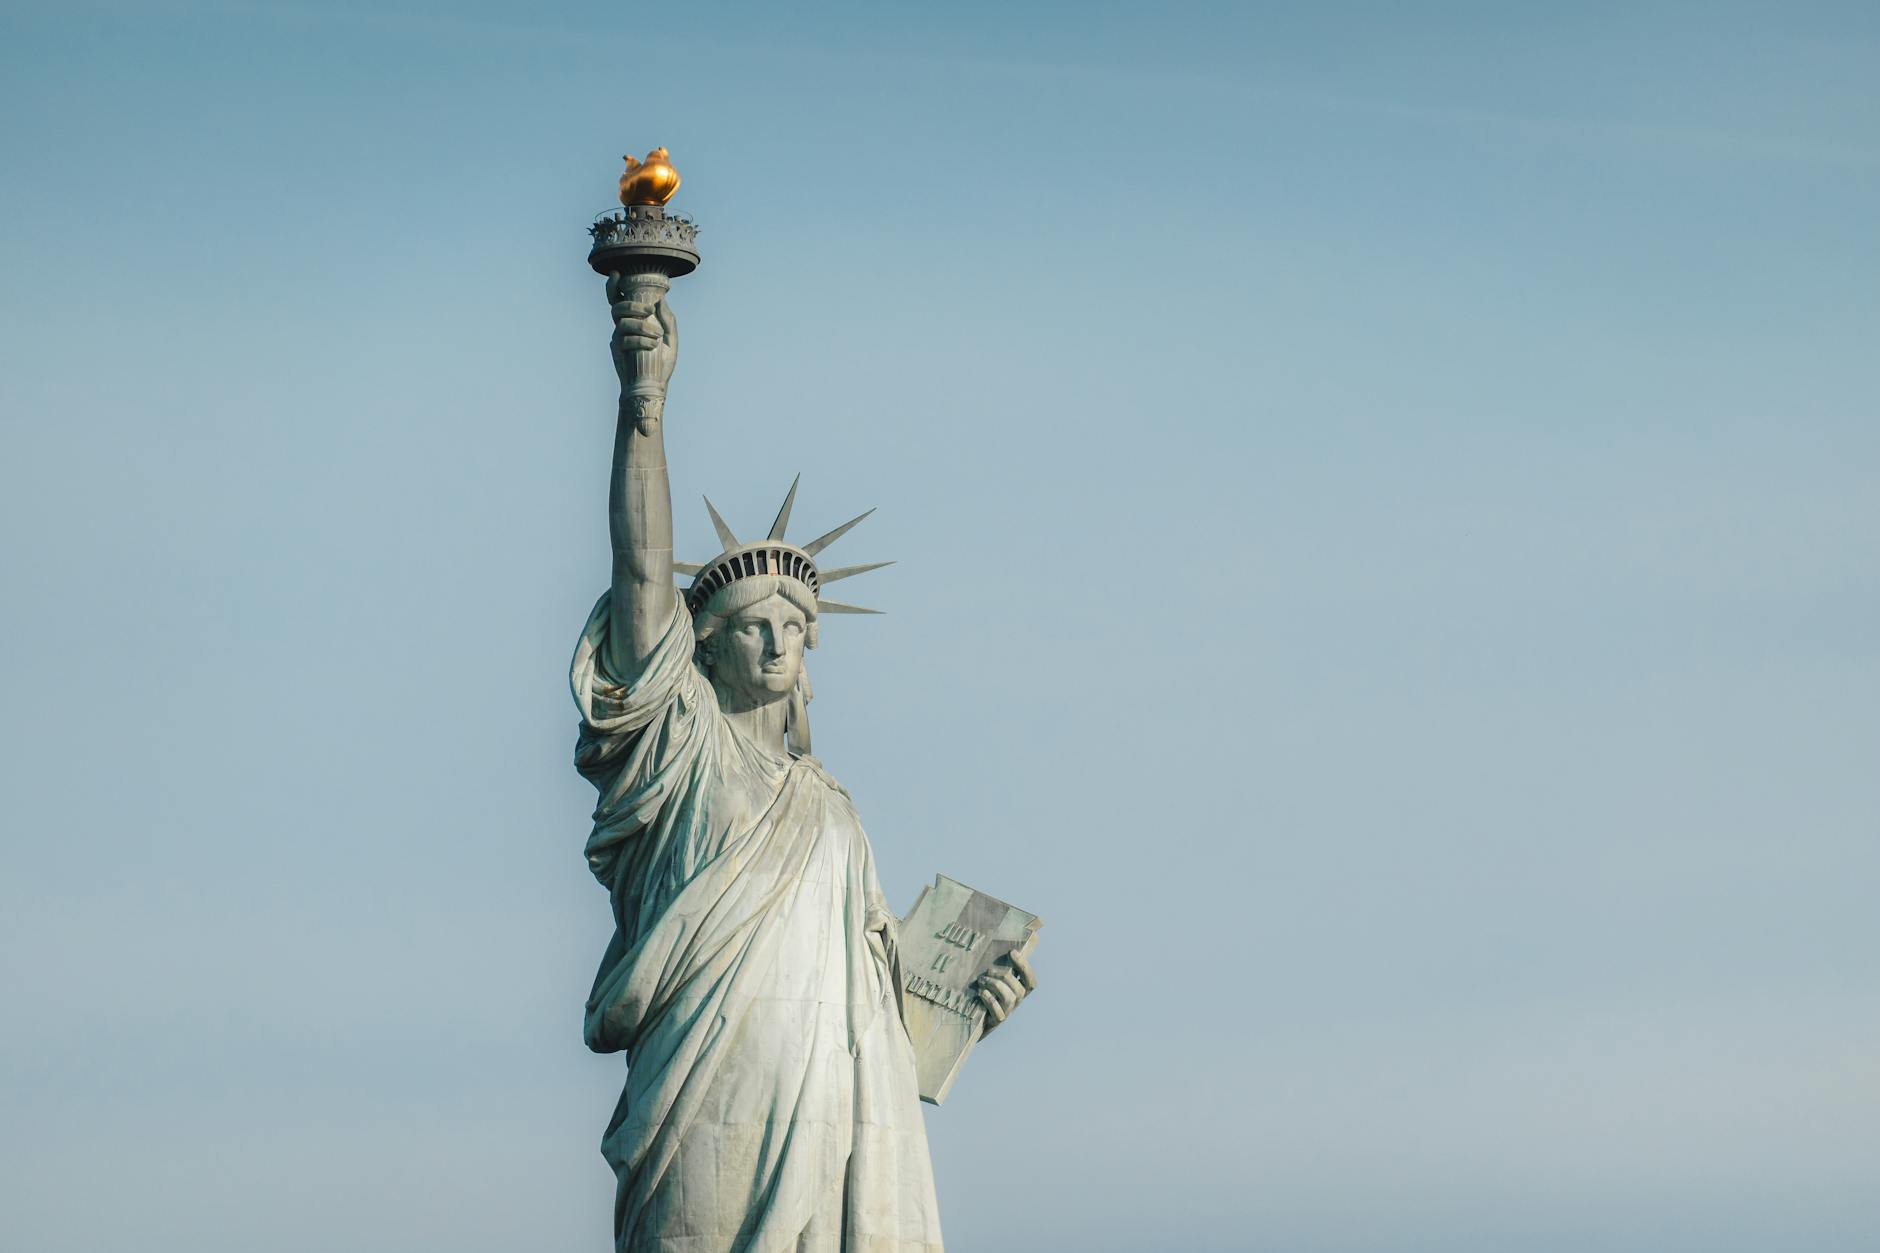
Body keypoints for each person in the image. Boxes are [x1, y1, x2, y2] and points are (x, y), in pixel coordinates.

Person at [572, 279, 1035, 1252]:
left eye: (796, 629)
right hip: (709, 1091)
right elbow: (643, 573)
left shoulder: (833, 813)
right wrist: (642, 405)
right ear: (697, 651)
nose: (779, 646)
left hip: (842, 1115)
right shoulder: (677, 754)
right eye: (751, 627)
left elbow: (879, 1004)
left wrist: (962, 1008)